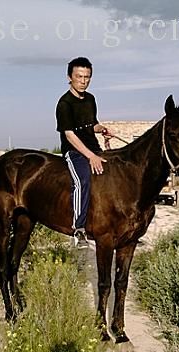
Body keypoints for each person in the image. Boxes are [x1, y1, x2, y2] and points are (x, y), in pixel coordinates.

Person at [56, 57, 113, 247]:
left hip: (94, 148)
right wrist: (90, 156)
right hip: (75, 152)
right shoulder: (64, 104)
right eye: (79, 76)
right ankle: (79, 229)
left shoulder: (90, 99)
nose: (83, 81)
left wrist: (102, 129)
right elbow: (70, 135)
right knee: (83, 180)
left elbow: (91, 124)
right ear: (69, 77)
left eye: (87, 77)